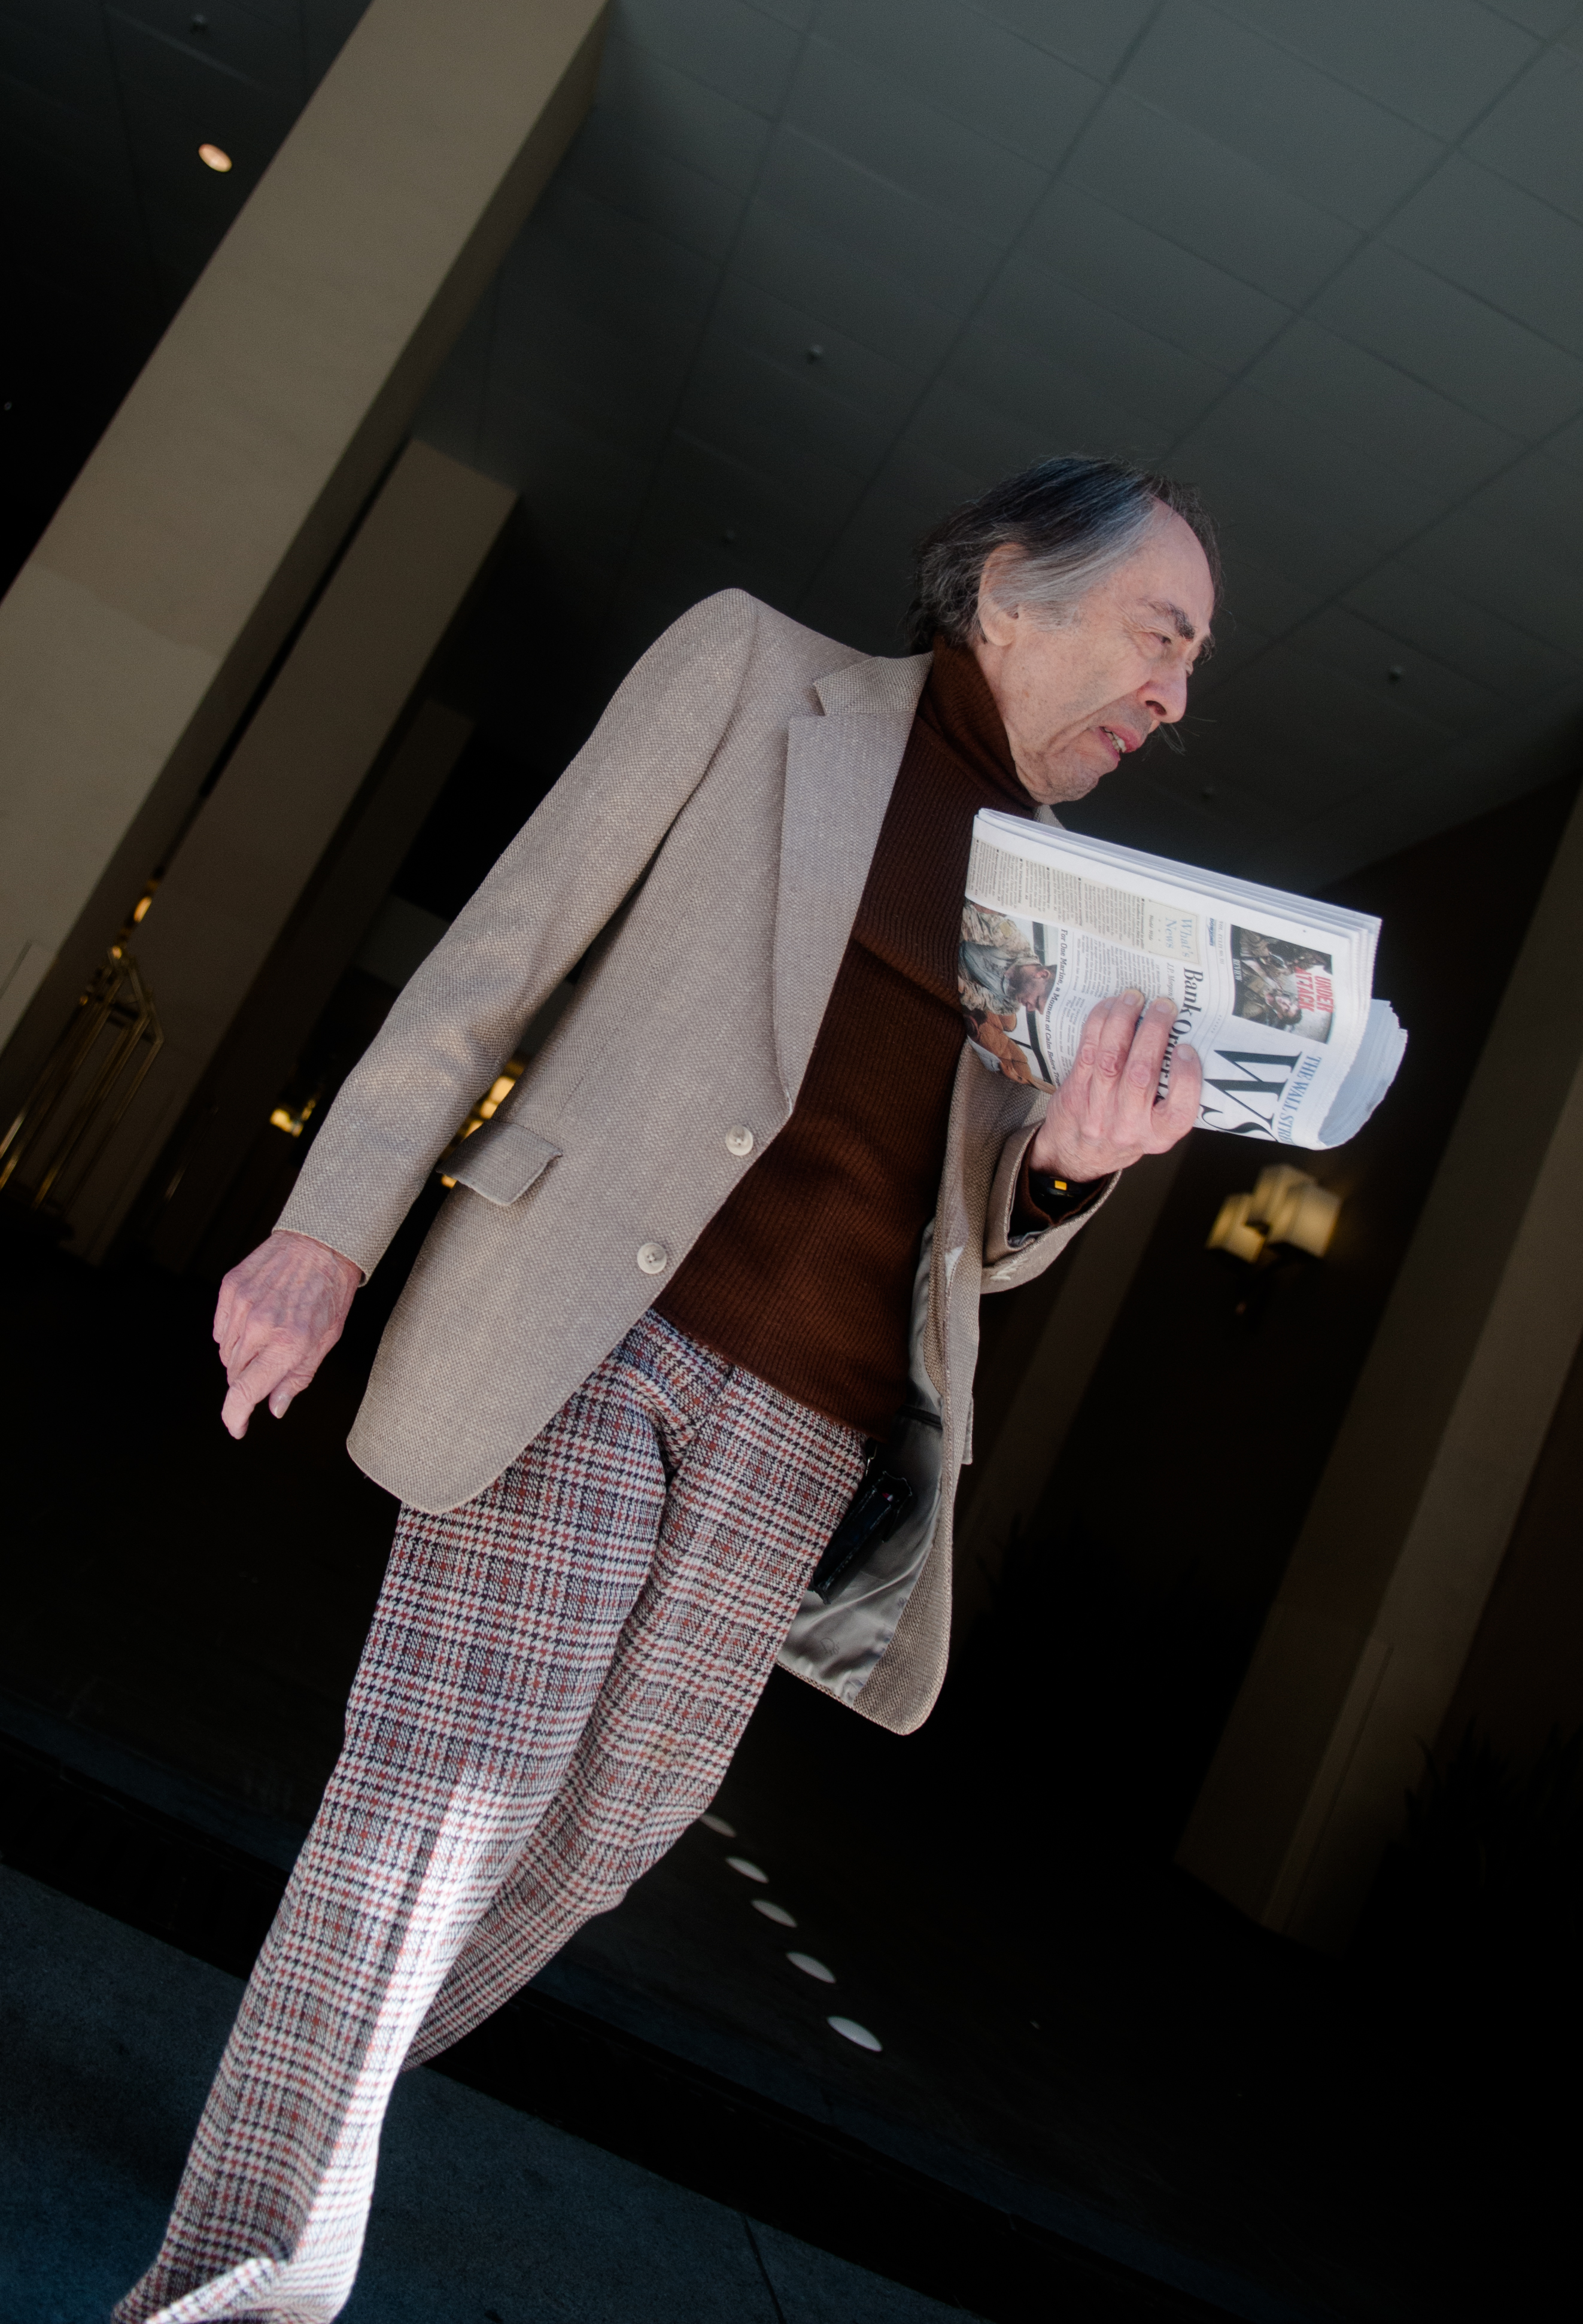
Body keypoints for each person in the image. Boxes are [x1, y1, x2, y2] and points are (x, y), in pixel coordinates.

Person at [117, 455, 1217, 2323]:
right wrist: (327, 1235)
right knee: (448, 1799)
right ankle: (245, 2279)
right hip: (587, 1334)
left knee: (601, 1834)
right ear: (1014, 591)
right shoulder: (752, 673)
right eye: (1163, 637)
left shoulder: (1072, 906)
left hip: (809, 1432)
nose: (1178, 699)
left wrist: (1074, 1168)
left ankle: (301, 2096)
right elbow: (497, 961)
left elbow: (977, 1235)